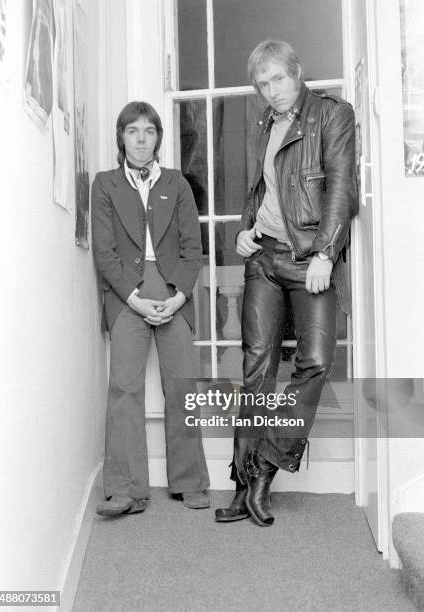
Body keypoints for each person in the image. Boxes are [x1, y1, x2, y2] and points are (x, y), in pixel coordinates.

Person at [215, 41, 358, 526]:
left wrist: (325, 251)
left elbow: (341, 186)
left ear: (297, 73)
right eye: (263, 84)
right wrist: (244, 227)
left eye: (278, 79)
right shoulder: (264, 125)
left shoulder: (331, 115)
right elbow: (263, 188)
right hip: (264, 259)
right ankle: (241, 485)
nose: (272, 91)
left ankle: (264, 469)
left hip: (308, 258)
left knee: (315, 362)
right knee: (256, 370)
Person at [92, 101, 209, 516]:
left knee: (183, 388)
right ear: (121, 138)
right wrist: (135, 298)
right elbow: (105, 254)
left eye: (149, 131)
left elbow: (193, 248)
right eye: (132, 131)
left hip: (174, 287)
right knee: (124, 388)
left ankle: (190, 481)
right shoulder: (105, 184)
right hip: (128, 293)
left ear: (159, 137)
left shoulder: (177, 183)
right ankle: (125, 489)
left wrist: (179, 296)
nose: (141, 139)